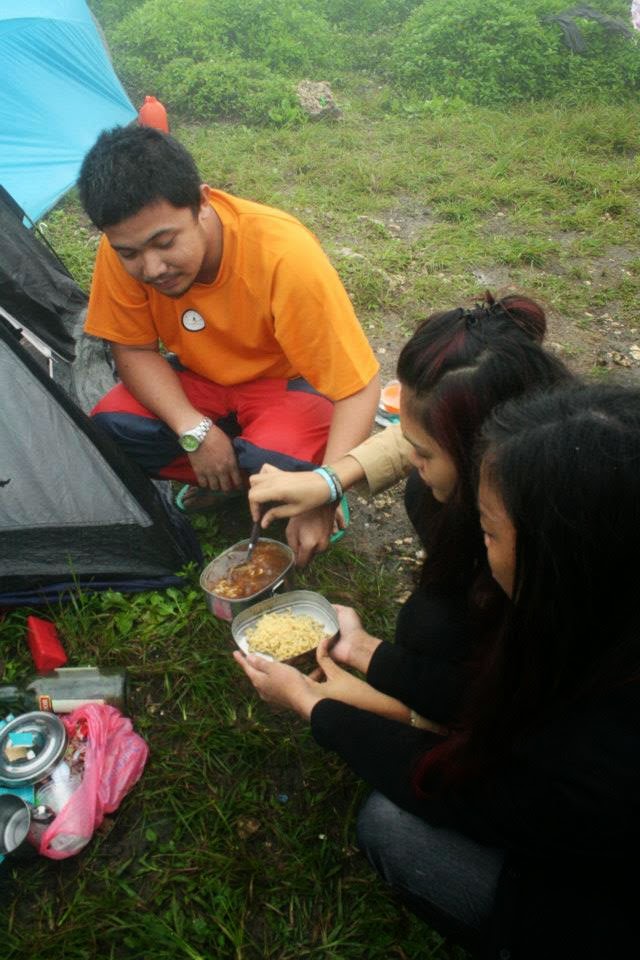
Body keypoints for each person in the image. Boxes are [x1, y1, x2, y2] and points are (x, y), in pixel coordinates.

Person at [235, 382, 640, 958]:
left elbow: (466, 791)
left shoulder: (606, 745)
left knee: (392, 828)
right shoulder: (595, 616)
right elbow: (489, 701)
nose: (479, 547)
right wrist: (366, 651)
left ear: (562, 558)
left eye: (489, 530)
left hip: (594, 903)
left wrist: (314, 705)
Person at [249, 294, 573, 729]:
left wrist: (331, 707)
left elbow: (508, 735)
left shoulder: (554, 569)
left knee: (429, 627)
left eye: (423, 451)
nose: (411, 459)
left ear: (480, 451)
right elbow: (418, 435)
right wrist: (328, 483)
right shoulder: (533, 428)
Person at [77, 125, 380, 566]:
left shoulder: (283, 255)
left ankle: (295, 479)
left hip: (287, 387)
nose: (152, 268)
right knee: (111, 429)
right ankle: (236, 477)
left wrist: (327, 491)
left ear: (202, 202)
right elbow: (134, 349)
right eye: (130, 253)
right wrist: (193, 429)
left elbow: (358, 388)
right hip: (203, 380)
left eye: (165, 243)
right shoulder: (124, 248)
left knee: (279, 457)